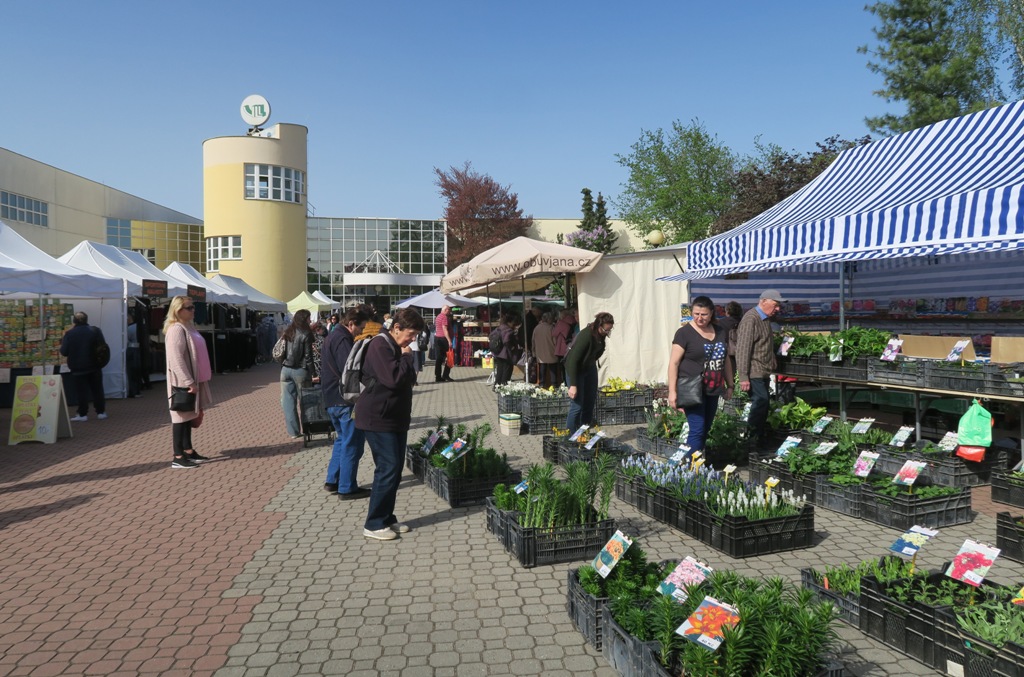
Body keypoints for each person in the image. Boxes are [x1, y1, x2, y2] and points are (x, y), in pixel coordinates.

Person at [355, 308, 425, 540]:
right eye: (411, 334)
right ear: (397, 328)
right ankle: (373, 524)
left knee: (394, 470)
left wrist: (406, 360)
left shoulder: (396, 346)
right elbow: (394, 379)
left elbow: (409, 378)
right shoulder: (380, 345)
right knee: (387, 467)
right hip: (377, 418)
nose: (412, 340)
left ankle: (386, 518)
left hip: (395, 418)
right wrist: (406, 357)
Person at [667, 296, 733, 456]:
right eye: (696, 313)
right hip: (692, 388)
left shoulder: (720, 331)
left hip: (714, 387)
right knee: (697, 429)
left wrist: (730, 384)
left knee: (705, 428)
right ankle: (690, 468)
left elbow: (726, 360)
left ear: (711, 313)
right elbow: (673, 363)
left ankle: (697, 463)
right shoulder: (684, 333)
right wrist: (672, 392)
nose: (699, 318)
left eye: (703, 314)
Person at [321, 307, 371, 499]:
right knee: (352, 443)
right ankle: (347, 487)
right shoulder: (342, 339)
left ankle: (332, 481)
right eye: (360, 327)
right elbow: (349, 368)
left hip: (332, 398)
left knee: (342, 440)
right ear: (350, 324)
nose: (361, 331)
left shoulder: (332, 336)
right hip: (344, 400)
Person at [163, 296, 213, 468]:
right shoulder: (176, 329)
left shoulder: (189, 326)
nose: (193, 310)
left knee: (188, 416)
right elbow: (175, 359)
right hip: (182, 381)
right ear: (178, 310)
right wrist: (188, 381)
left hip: (193, 378)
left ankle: (188, 451)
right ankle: (178, 456)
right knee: (180, 417)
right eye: (189, 308)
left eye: (193, 307)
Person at [736, 289, 785, 445]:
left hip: (763, 370)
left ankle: (758, 437)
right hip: (754, 370)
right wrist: (743, 376)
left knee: (764, 403)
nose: (778, 309)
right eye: (775, 305)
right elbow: (743, 349)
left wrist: (773, 358)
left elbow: (763, 344)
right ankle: (751, 439)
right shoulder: (751, 319)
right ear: (763, 301)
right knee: (761, 401)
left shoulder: (764, 319)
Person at [564, 311, 614, 431]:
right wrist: (573, 385)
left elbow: (598, 352)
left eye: (610, 330)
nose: (607, 333)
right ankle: (570, 437)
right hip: (576, 369)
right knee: (577, 405)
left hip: (589, 368)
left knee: (589, 403)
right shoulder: (586, 335)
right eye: (606, 330)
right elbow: (572, 361)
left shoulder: (601, 336)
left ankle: (583, 432)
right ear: (599, 325)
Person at [60, 311, 108, 422]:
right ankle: (100, 412)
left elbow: (64, 351)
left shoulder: (69, 334)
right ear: (87, 320)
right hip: (95, 365)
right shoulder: (96, 331)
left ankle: (82, 414)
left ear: (74, 321)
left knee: (81, 391)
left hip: (77, 367)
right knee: (97, 389)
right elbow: (103, 347)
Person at [280, 309, 315, 439]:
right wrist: (314, 373)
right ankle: (308, 429)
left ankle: (293, 432)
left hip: (285, 369)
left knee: (288, 402)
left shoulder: (288, 331)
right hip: (301, 370)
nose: (310, 321)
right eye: (308, 318)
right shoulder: (306, 333)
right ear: (304, 319)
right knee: (306, 401)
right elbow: (308, 357)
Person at [493, 311, 522, 386]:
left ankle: (497, 386)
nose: (514, 325)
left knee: (499, 371)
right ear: (510, 322)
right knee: (506, 371)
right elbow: (506, 340)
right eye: (514, 323)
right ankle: (504, 386)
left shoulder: (500, 327)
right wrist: (512, 347)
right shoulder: (508, 330)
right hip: (506, 354)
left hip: (498, 353)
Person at [717, 301, 743, 381]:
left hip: (726, 352)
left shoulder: (720, 322)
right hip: (742, 352)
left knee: (729, 375)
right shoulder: (744, 321)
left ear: (727, 311)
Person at [532, 311, 558, 387]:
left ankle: (542, 385)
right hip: (551, 352)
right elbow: (555, 341)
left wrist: (534, 352)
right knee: (553, 371)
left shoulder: (536, 328)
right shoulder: (552, 328)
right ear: (549, 319)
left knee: (542, 370)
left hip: (540, 353)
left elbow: (533, 341)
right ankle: (554, 386)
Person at [552, 308, 576, 385]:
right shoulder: (575, 321)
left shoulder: (561, 323)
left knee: (563, 368)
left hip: (562, 348)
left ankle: (566, 383)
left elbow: (554, 333)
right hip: (572, 346)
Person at [433, 304, 454, 383]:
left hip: (437, 338)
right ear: (446, 310)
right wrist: (449, 340)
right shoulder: (444, 317)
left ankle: (438, 376)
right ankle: (446, 375)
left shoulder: (438, 316)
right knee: (449, 357)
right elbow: (445, 329)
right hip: (443, 339)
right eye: (449, 310)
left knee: (439, 358)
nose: (450, 311)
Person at [126, 310, 142, 398]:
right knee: (136, 371)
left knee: (131, 371)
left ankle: (133, 391)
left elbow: (127, 340)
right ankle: (137, 390)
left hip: (132, 350)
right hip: (138, 350)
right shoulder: (138, 327)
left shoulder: (128, 329)